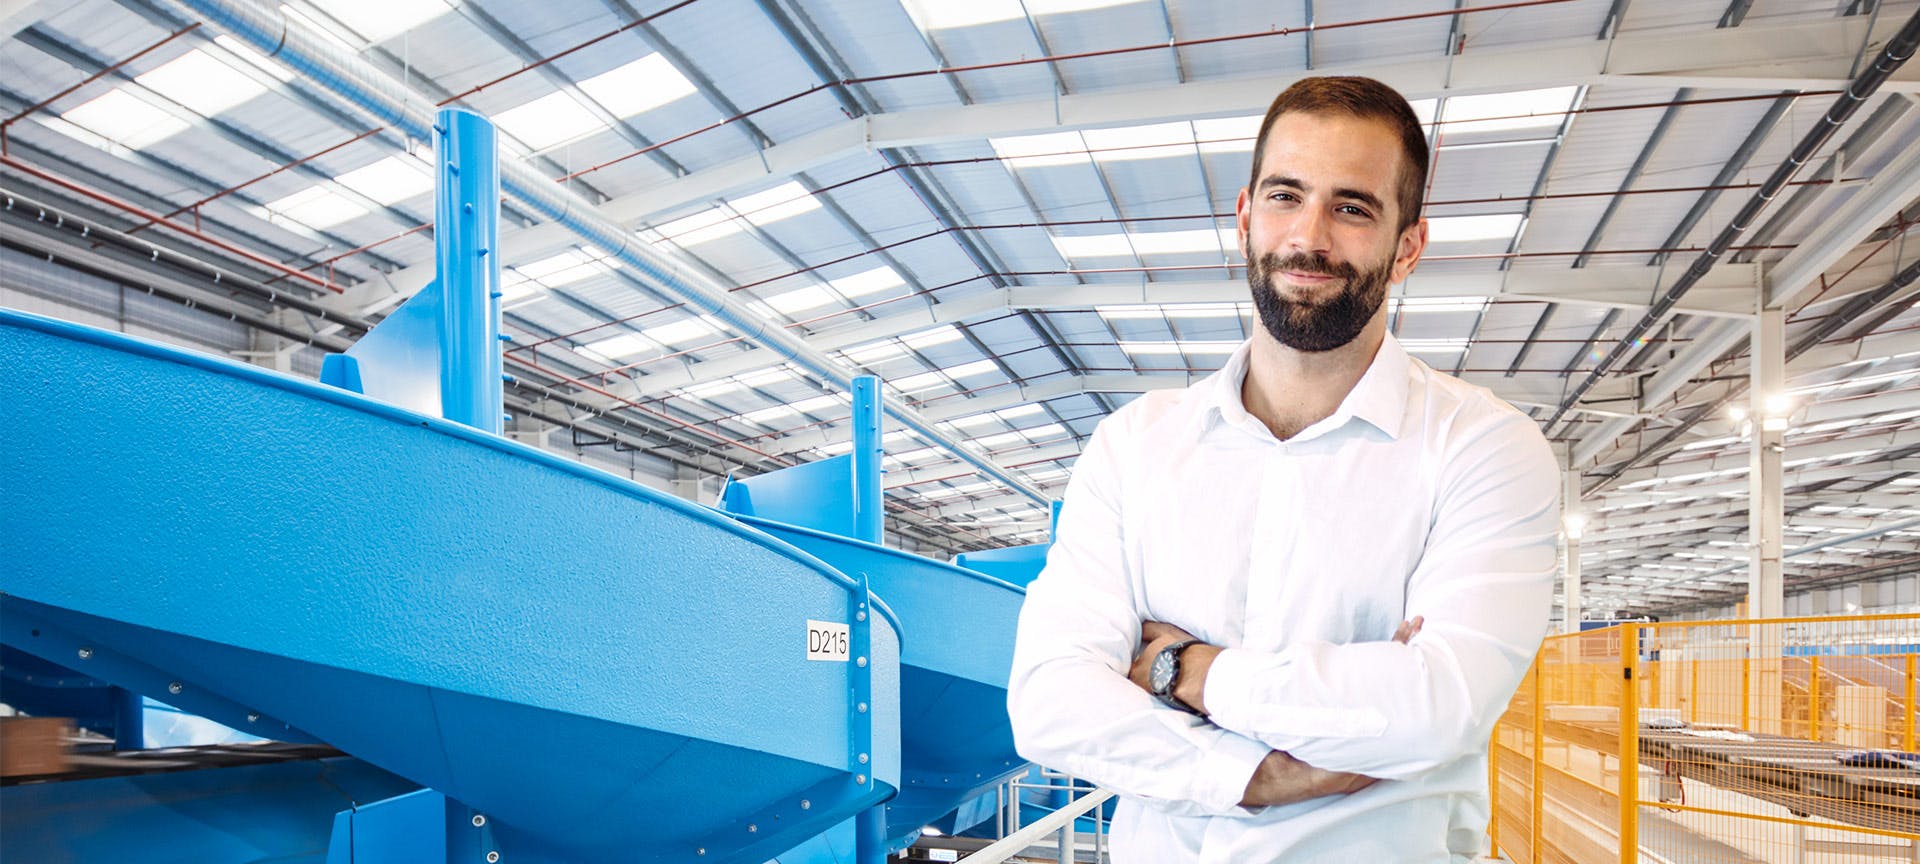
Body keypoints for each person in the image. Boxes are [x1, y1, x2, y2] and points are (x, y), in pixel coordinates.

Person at [1005, 76, 1561, 862]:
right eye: (1285, 196)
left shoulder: (1482, 449)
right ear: (1244, 217)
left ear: (1407, 247)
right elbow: (1048, 702)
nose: (1309, 237)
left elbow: (1438, 706)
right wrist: (1254, 773)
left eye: (1352, 208)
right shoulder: (1134, 445)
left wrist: (1184, 672)